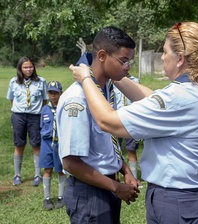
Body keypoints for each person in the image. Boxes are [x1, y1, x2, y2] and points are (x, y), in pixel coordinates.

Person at [70, 21, 198, 224]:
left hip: (179, 203)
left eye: (165, 52)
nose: (162, 57)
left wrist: (86, 78)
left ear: (180, 59)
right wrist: (115, 74)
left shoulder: (177, 98)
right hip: (195, 198)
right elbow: (152, 99)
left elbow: (108, 121)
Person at [56, 26, 139, 224]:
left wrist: (125, 171)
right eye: (123, 61)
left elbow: (105, 144)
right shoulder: (77, 99)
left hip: (108, 186)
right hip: (89, 193)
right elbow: (70, 163)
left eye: (130, 61)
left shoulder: (107, 91)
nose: (127, 67)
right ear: (102, 55)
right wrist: (116, 187)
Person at [7, 56, 48, 186]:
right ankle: (17, 174)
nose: (28, 69)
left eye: (30, 66)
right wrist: (18, 110)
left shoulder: (41, 81)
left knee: (36, 144)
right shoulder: (14, 82)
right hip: (19, 116)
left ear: (33, 67)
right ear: (20, 68)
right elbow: (12, 99)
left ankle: (37, 175)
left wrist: (36, 112)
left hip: (35, 117)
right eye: (25, 67)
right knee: (19, 144)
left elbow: (44, 100)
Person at [39, 80, 66, 210]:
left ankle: (61, 197)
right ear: (47, 93)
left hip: (60, 144)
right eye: (50, 93)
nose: (53, 96)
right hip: (47, 144)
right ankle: (47, 198)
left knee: (61, 170)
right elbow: (41, 126)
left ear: (61, 93)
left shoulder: (64, 107)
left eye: (56, 93)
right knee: (47, 170)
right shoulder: (45, 109)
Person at [114, 74, 141, 179]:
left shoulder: (135, 80)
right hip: (117, 119)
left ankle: (134, 177)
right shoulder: (113, 81)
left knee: (131, 149)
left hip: (131, 120)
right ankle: (115, 177)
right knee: (115, 150)